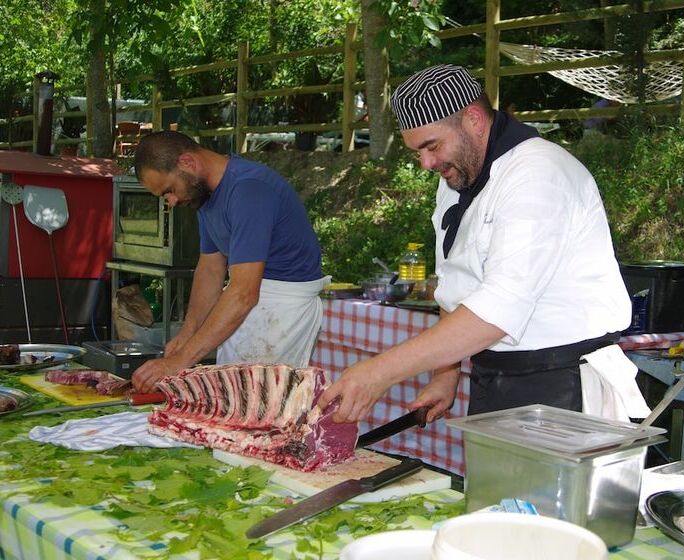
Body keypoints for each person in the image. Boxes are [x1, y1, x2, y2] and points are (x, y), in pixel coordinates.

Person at [318, 64, 631, 424]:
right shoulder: (457, 176)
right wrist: (445, 372)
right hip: (493, 375)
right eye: (417, 152)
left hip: (562, 383)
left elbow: (499, 307)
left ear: (474, 120)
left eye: (432, 146)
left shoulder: (538, 175)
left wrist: (379, 372)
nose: (425, 163)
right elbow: (456, 281)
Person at [130, 131, 329, 392]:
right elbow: (210, 269)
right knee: (230, 399)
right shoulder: (204, 194)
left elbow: (244, 293)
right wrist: (188, 333)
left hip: (282, 314)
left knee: (258, 403)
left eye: (169, 190)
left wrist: (179, 361)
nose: (172, 201)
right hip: (247, 307)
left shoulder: (249, 189)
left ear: (187, 162)